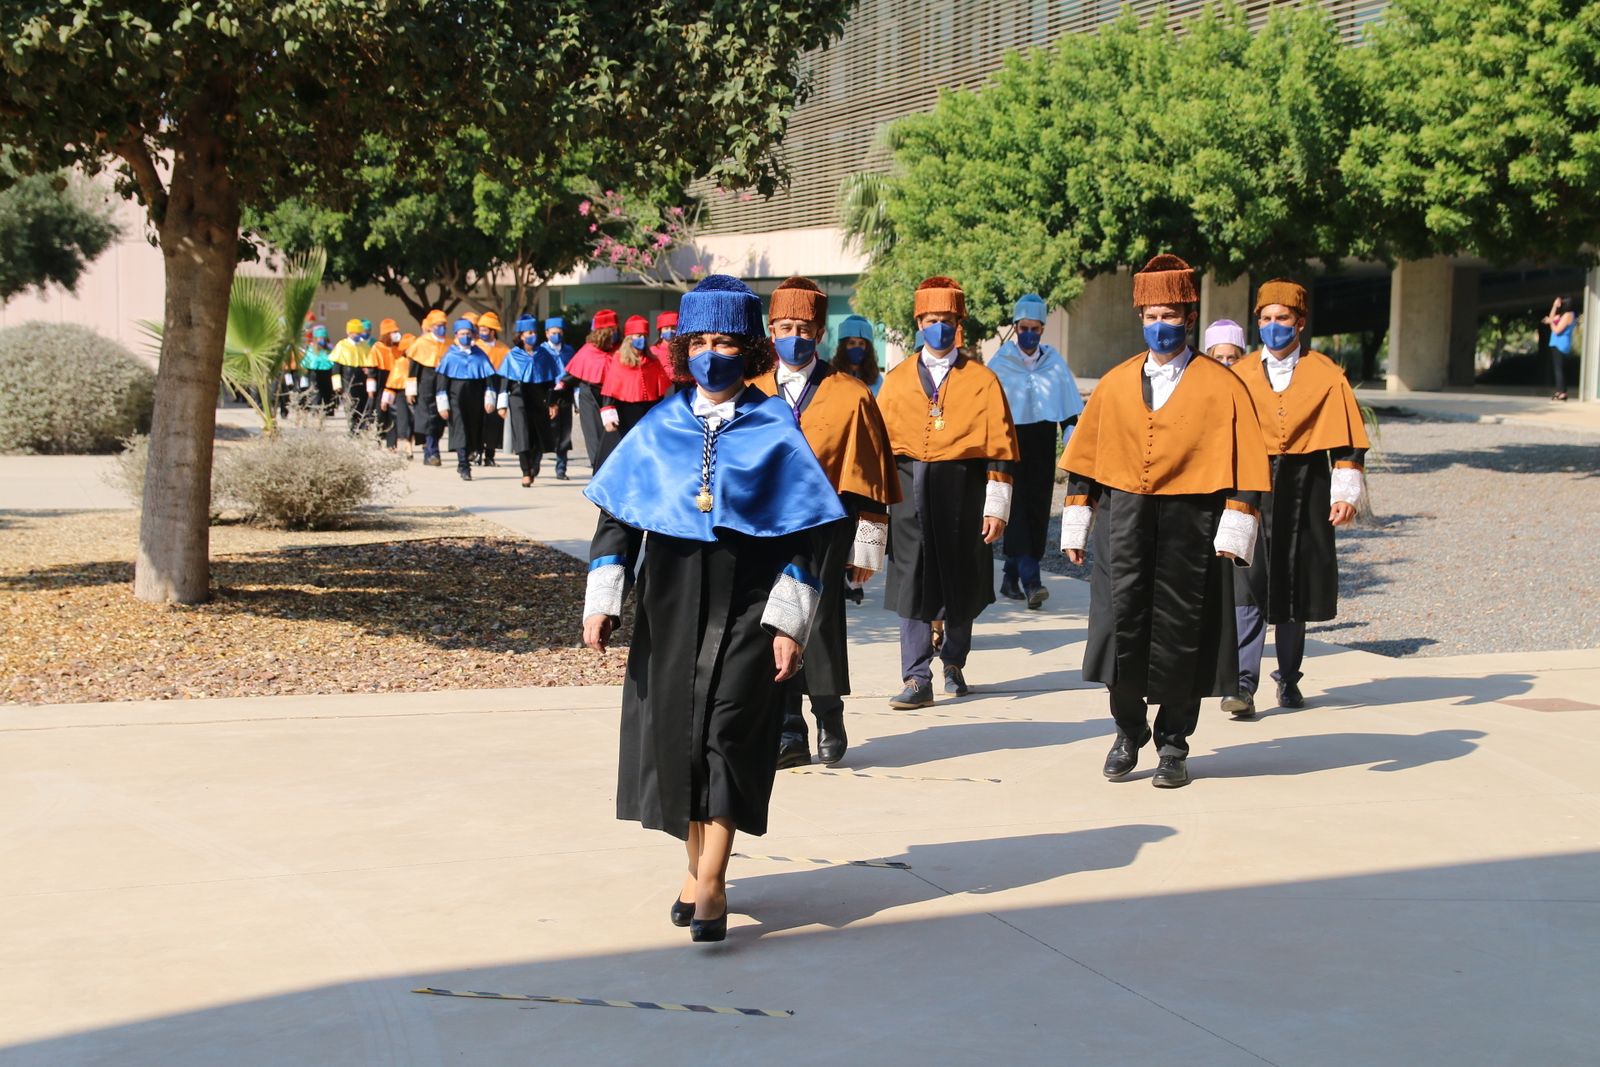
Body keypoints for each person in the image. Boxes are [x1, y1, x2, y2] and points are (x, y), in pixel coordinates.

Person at [581, 274, 845, 944]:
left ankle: (716, 878)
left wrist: (791, 620)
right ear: (680, 347)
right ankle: (693, 867)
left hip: (751, 604)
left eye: (726, 340)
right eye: (698, 340)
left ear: (749, 348)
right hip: (670, 604)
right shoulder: (658, 424)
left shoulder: (775, 428)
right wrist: (604, 597)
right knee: (679, 737)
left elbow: (809, 533)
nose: (711, 352)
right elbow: (617, 519)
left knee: (727, 731)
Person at [1058, 254, 1272, 788]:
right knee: (1119, 627)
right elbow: (1085, 463)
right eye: (1153, 313)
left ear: (1190, 317)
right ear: (1140, 317)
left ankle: (1174, 744)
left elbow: (1246, 464)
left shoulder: (1223, 385)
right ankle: (1128, 730)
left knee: (1184, 633)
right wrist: (1077, 524)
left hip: (1192, 525)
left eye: (1172, 314)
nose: (1162, 324)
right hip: (1124, 524)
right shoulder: (1112, 383)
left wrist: (1237, 524)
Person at [751, 277, 899, 768]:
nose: (795, 335)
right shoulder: (750, 393)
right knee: (772, 620)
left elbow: (871, 475)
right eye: (786, 327)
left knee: (820, 619)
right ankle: (788, 728)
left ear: (819, 332)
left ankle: (829, 714)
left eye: (805, 328)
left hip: (828, 527)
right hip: (766, 528)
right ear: (772, 330)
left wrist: (869, 546)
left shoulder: (850, 394)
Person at [1225, 279, 1371, 717]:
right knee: (1245, 583)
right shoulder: (1240, 374)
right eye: (1266, 319)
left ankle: (1288, 680)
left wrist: (1345, 494)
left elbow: (1347, 445)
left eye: (1282, 319)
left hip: (1306, 486)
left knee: (1294, 587)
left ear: (1300, 322)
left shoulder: (1326, 374)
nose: (1273, 326)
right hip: (1252, 483)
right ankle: (1243, 684)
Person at [876, 276, 1021, 709]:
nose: (939, 327)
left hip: (965, 493)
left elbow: (1000, 452)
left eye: (947, 320)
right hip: (909, 493)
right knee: (911, 581)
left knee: (960, 578)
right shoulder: (897, 379)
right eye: (931, 319)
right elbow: (880, 447)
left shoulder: (983, 380)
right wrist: (876, 513)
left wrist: (997, 507)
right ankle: (916, 676)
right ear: (919, 322)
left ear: (959, 324)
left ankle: (954, 661)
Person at [988, 293, 1084, 609]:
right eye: (1024, 328)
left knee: (1038, 512)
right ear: (1015, 327)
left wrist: (1072, 441)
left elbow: (1069, 409)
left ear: (1042, 329)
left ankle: (1008, 578)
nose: (1030, 334)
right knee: (1016, 515)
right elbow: (986, 409)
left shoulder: (1054, 362)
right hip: (1009, 448)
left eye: (1036, 328)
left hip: (1043, 446)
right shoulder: (1000, 364)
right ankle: (1032, 582)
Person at [596, 314, 673, 467]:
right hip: (623, 413)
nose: (642, 340)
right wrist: (608, 415)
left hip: (646, 413)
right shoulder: (619, 359)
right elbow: (610, 389)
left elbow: (659, 392)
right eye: (638, 336)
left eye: (644, 336)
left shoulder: (652, 361)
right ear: (629, 338)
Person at [496, 315, 562, 486]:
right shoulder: (513, 355)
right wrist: (501, 405)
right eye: (529, 332)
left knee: (538, 434)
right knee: (522, 433)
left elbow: (550, 382)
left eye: (534, 332)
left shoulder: (544, 354)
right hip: (518, 398)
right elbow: (505, 382)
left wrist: (553, 402)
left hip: (539, 397)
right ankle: (526, 470)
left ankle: (535, 463)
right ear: (521, 335)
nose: (532, 335)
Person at [434, 318, 498, 481]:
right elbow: (442, 384)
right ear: (456, 335)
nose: (466, 337)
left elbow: (489, 379)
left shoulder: (480, 354)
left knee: (473, 431)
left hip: (475, 400)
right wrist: (442, 405)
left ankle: (467, 457)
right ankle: (464, 465)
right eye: (462, 334)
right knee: (461, 430)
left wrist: (490, 398)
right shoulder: (449, 356)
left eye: (468, 334)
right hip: (456, 400)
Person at [561, 309, 621, 473]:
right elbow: (571, 375)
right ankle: (598, 473)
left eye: (617, 330)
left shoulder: (622, 350)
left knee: (615, 443)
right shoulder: (588, 351)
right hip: (590, 397)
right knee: (594, 441)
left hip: (616, 399)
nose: (615, 333)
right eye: (612, 330)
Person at [407, 310, 452, 466]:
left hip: (444, 384)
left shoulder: (450, 344)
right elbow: (412, 371)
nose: (442, 328)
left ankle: (430, 450)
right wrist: (410, 391)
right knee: (430, 419)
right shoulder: (420, 343)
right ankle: (433, 452)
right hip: (426, 385)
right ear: (432, 326)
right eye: (439, 325)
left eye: (444, 325)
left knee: (440, 421)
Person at [540, 317, 576, 479]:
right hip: (546, 394)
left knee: (564, 432)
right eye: (553, 332)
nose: (556, 335)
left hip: (565, 394)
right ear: (547, 333)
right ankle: (535, 464)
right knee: (544, 431)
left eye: (559, 332)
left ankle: (561, 468)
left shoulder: (569, 351)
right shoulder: (541, 351)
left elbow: (575, 374)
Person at [329, 317, 378, 434]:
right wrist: (337, 385)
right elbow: (336, 368)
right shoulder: (341, 345)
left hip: (362, 380)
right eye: (356, 333)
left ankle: (363, 427)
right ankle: (352, 429)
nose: (358, 335)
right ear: (349, 332)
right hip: (348, 380)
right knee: (351, 405)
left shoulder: (364, 346)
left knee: (363, 404)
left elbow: (370, 362)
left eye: (359, 333)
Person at [368, 319, 410, 452]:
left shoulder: (399, 348)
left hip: (395, 383)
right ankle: (378, 438)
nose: (397, 334)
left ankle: (392, 444)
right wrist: (371, 390)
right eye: (394, 332)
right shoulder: (377, 348)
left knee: (393, 414)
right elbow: (372, 371)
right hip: (381, 383)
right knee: (380, 414)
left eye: (397, 332)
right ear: (386, 334)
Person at [476, 312, 510, 466]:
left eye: (485, 330)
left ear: (493, 331)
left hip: (496, 384)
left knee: (494, 422)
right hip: (478, 384)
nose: (481, 333)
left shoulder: (503, 349)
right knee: (477, 420)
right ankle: (476, 451)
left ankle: (490, 455)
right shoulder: (475, 347)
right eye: (480, 330)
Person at [379, 330, 417, 459]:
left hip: (416, 396)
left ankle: (410, 446)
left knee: (413, 422)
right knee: (402, 421)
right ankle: (406, 447)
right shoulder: (400, 363)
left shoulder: (419, 363)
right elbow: (391, 384)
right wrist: (385, 400)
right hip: (401, 396)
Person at [833, 314, 882, 394]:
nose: (857, 347)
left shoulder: (876, 379)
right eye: (851, 343)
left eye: (861, 343)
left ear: (867, 348)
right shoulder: (832, 375)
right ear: (843, 346)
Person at [299, 325, 337, 417]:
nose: (322, 340)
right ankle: (316, 410)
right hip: (315, 373)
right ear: (316, 338)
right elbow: (307, 361)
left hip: (328, 373)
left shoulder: (330, 348)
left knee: (328, 391)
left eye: (323, 337)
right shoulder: (311, 349)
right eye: (320, 338)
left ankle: (329, 410)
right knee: (316, 392)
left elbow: (334, 359)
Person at [651, 310, 692, 393]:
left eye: (673, 328)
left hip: (685, 387)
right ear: (660, 332)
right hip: (663, 389)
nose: (670, 331)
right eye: (666, 328)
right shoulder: (653, 351)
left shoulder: (686, 348)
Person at [1545, 296, 1577, 401]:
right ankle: (1560, 391)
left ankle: (1562, 392)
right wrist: (1554, 306)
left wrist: (1551, 323)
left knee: (1559, 369)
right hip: (1557, 343)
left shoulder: (1568, 315)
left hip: (1560, 344)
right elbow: (1551, 317)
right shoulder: (1564, 315)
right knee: (1558, 369)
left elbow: (1557, 330)